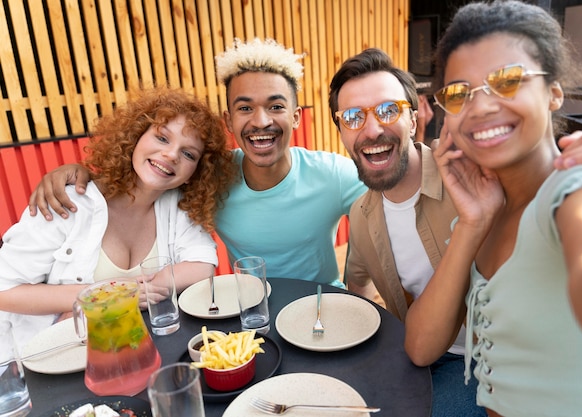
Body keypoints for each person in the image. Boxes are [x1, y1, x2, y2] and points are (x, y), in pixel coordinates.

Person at [404, 1, 582, 416]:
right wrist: (471, 224)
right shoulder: (481, 215)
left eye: (507, 81)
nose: (481, 106)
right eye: (459, 93)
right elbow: (420, 347)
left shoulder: (580, 187)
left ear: (554, 92)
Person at [27, 38, 367, 288]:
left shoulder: (333, 174)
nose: (261, 121)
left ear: (295, 117)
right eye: (245, 108)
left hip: (322, 308)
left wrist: (360, 285)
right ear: (229, 119)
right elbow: (154, 173)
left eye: (276, 107)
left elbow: (389, 195)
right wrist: (79, 175)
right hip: (250, 311)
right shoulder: (210, 175)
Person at [0, 87, 237, 347]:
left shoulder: (177, 206)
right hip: (42, 361)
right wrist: (108, 296)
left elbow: (201, 266)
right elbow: (4, 291)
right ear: (136, 137)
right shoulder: (68, 202)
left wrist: (136, 293)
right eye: (162, 138)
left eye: (188, 153)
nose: (171, 155)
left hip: (130, 348)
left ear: (194, 172)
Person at [329, 48, 484, 417]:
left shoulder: (469, 175)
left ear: (413, 120)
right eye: (353, 117)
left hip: (486, 360)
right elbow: (359, 288)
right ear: (341, 132)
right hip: (413, 354)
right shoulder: (362, 214)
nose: (371, 129)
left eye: (388, 111)